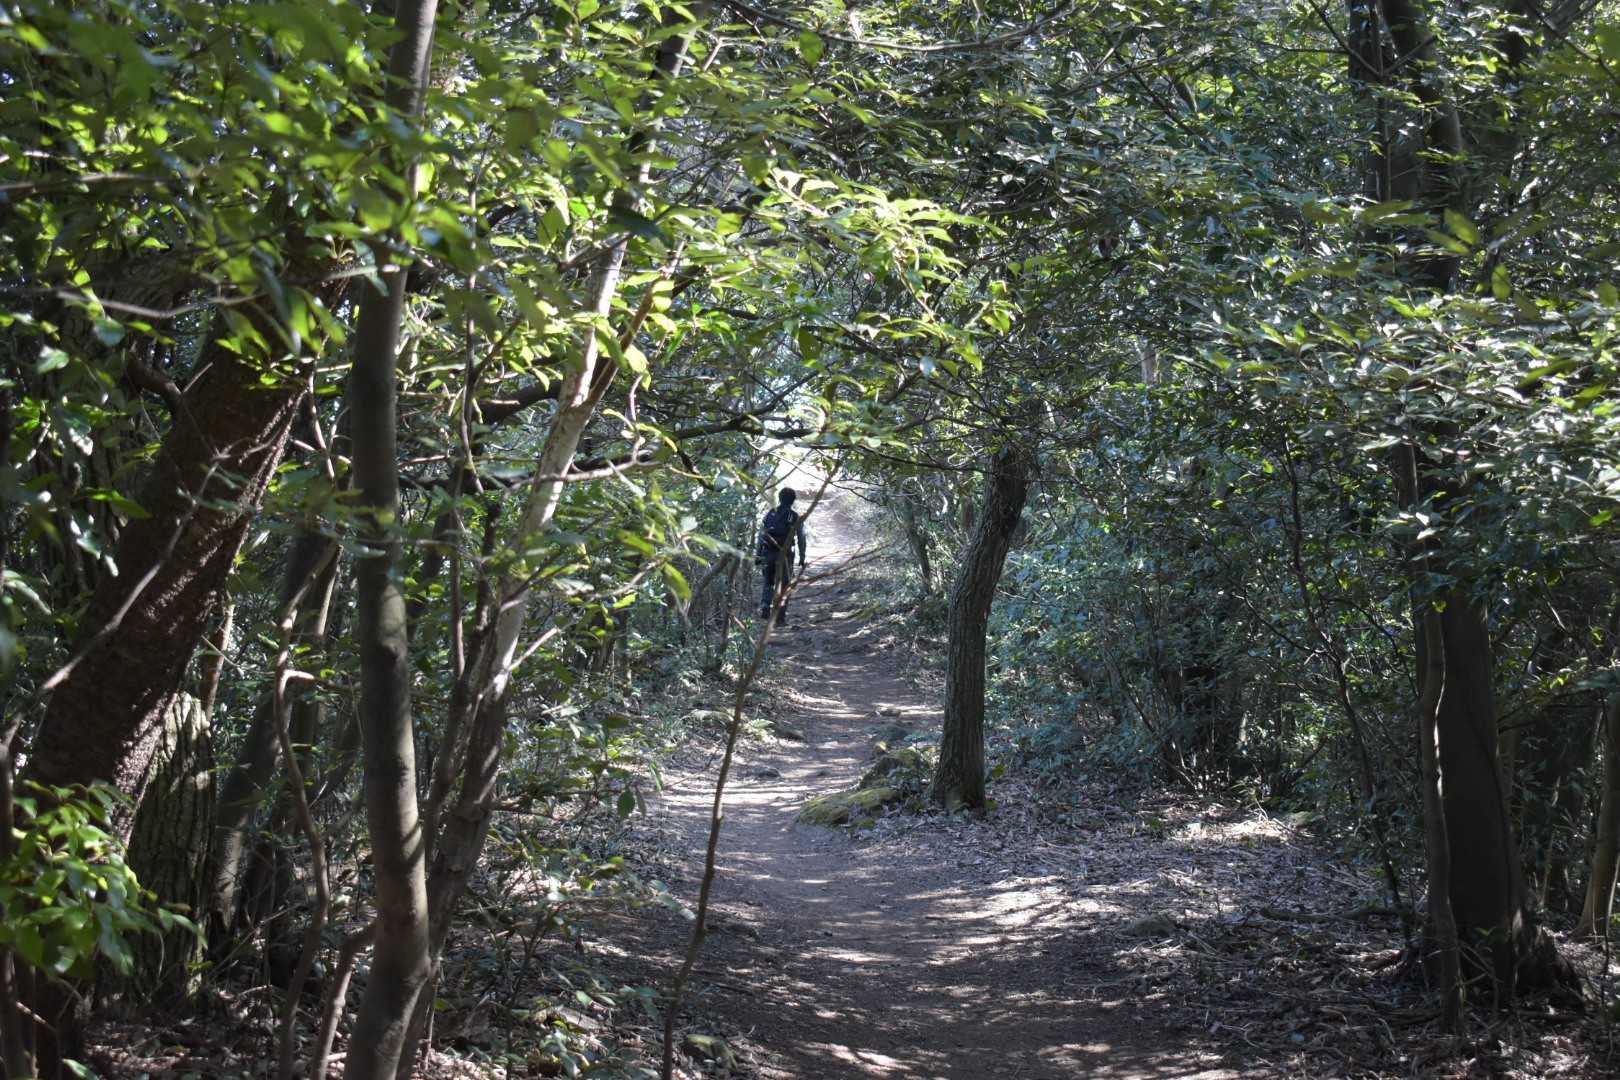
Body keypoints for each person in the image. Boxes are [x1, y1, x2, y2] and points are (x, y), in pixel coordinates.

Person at [756, 486, 807, 624]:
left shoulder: (770, 513)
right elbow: (801, 537)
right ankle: (780, 617)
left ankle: (765, 605)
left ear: (779, 499)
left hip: (767, 552)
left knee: (768, 581)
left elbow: (761, 535)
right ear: (793, 501)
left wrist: (758, 555)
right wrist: (802, 556)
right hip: (785, 555)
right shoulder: (794, 516)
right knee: (785, 585)